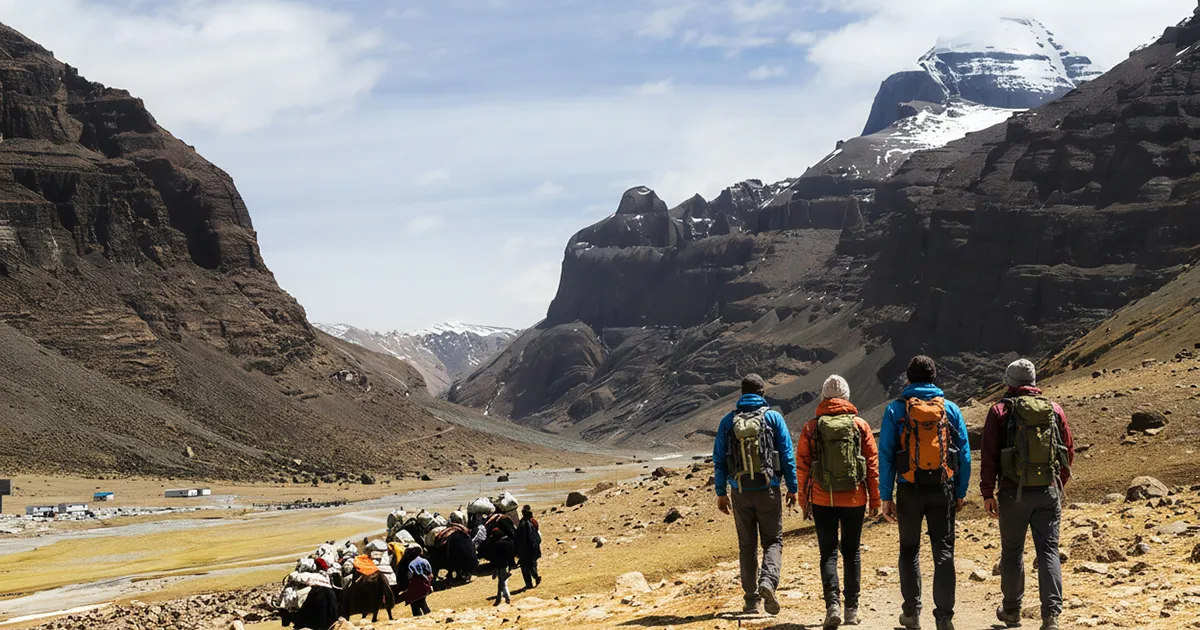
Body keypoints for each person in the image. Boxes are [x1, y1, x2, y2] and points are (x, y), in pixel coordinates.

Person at [981, 359, 1074, 630]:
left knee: (1012, 552)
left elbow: (989, 456)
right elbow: (1067, 450)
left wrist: (988, 492)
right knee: (1048, 551)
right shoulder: (1054, 409)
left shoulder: (999, 410)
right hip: (1047, 491)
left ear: (1009, 381)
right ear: (1034, 382)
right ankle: (1051, 616)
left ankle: (1011, 613)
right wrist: (1058, 484)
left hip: (1012, 493)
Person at [879, 356, 971, 630]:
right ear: (934, 377)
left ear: (908, 379)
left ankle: (912, 613)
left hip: (909, 490)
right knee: (943, 551)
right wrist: (961, 491)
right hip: (942, 488)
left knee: (909, 550)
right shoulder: (950, 409)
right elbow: (964, 454)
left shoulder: (895, 410)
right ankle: (944, 618)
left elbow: (886, 456)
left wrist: (886, 496)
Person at [796, 375, 881, 628]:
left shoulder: (811, 427)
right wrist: (875, 498)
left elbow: (802, 466)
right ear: (846, 396)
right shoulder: (860, 425)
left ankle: (832, 605)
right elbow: (872, 465)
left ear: (823, 396)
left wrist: (805, 500)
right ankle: (852, 610)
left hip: (822, 498)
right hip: (855, 498)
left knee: (828, 553)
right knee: (852, 552)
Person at [713, 373, 799, 616]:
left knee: (747, 545)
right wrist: (792, 488)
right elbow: (786, 455)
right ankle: (768, 582)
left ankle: (751, 601)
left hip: (740, 492)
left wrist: (721, 493)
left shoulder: (728, 422)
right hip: (769, 489)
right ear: (762, 393)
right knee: (773, 541)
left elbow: (719, 459)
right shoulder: (773, 418)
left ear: (742, 394)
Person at [515, 505, 543, 590]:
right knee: (532, 564)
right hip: (534, 546)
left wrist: (518, 550)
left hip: (525, 548)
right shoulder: (533, 522)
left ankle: (529, 583)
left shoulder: (522, 523)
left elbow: (520, 537)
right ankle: (536, 577)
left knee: (525, 567)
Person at [402, 545, 433, 617]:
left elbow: (410, 577)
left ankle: (419, 617)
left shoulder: (411, 564)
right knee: (423, 602)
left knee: (415, 605)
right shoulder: (424, 561)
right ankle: (428, 615)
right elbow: (430, 573)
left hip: (415, 586)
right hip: (425, 584)